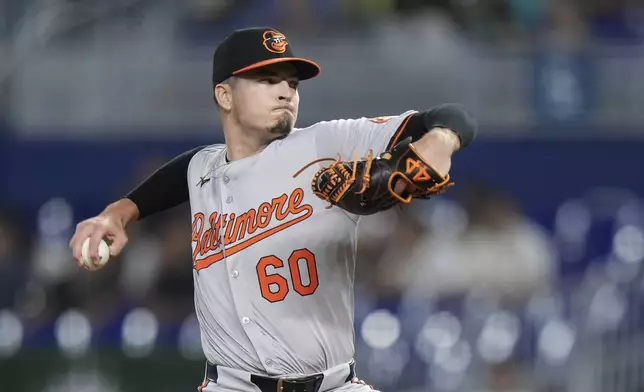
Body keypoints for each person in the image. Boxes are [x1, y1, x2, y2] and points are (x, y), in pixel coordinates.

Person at [69, 27, 476, 392]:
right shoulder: (203, 169)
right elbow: (179, 176)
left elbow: (450, 118)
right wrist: (118, 213)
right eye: (266, 80)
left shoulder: (324, 145)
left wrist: (441, 140)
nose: (286, 91)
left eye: (292, 83)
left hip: (333, 385)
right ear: (224, 94)